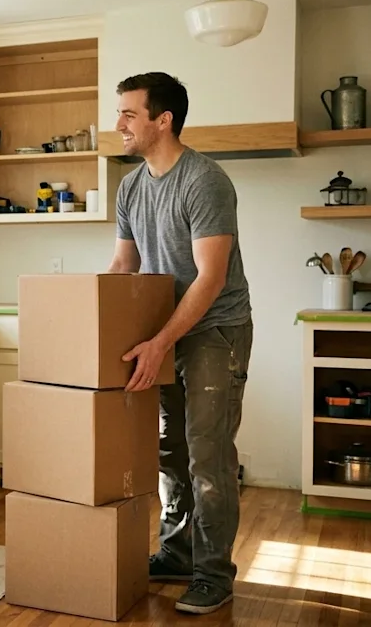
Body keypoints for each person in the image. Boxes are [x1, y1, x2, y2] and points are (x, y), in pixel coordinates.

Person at [106, 72, 253, 615]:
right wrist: (97, 325)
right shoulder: (131, 186)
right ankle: (177, 552)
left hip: (215, 329)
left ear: (162, 120)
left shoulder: (204, 180)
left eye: (128, 113)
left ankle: (214, 573)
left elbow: (210, 278)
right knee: (172, 451)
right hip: (164, 331)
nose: (117, 123)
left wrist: (161, 340)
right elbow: (125, 265)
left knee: (208, 455)